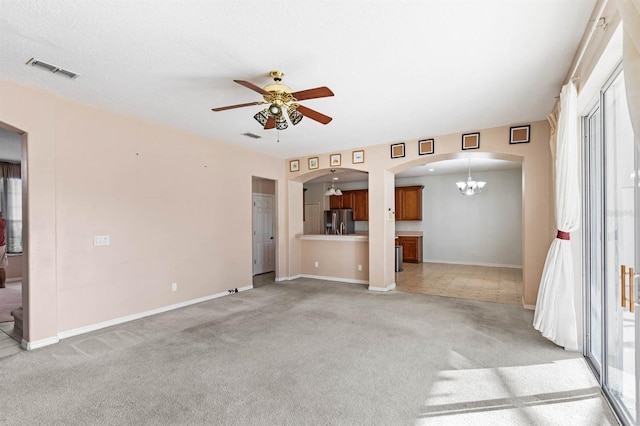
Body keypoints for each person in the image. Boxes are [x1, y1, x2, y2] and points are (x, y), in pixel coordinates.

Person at [0, 211, 6, 288]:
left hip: (0, 245)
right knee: (1, 266)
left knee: (1, 266)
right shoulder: (3, 222)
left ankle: (2, 283)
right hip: (2, 246)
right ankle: (2, 283)